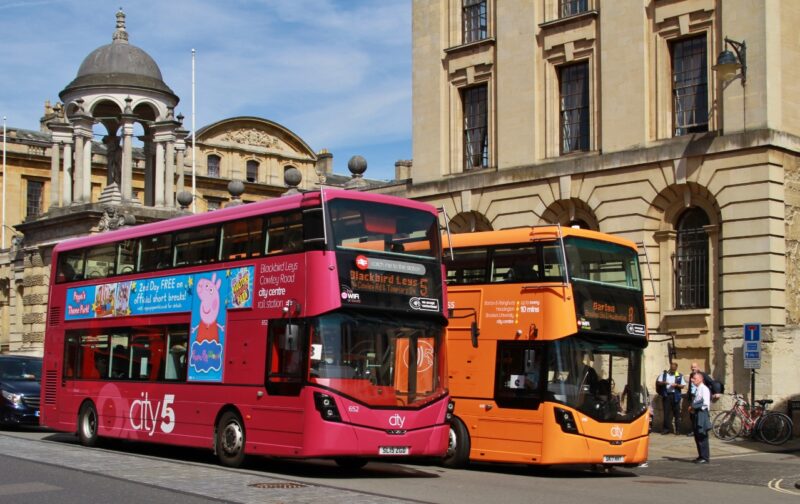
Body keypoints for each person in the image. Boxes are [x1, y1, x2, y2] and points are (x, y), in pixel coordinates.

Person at [689, 371, 712, 463]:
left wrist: (693, 406)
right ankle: (701, 455)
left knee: (702, 435)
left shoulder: (704, 389)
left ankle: (705, 457)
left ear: (700, 379)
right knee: (697, 435)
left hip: (702, 414)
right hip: (696, 413)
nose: (692, 380)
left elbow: (705, 403)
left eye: (694, 378)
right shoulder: (698, 388)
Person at [655, 362, 684, 434]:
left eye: (674, 369)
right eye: (672, 368)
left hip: (676, 395)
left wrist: (676, 385)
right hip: (666, 395)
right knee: (666, 413)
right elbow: (658, 382)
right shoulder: (664, 374)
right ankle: (666, 429)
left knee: (677, 413)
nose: (673, 370)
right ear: (670, 367)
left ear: (676, 368)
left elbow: (683, 386)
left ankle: (677, 430)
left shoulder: (679, 375)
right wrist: (664, 383)